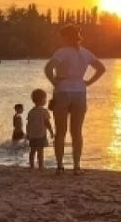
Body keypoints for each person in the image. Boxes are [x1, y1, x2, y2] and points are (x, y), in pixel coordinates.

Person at [44, 25, 106, 175]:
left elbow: (48, 68)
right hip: (80, 92)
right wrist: (87, 82)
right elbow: (101, 68)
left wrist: (54, 82)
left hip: (63, 91)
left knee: (61, 131)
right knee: (77, 132)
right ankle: (77, 166)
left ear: (65, 37)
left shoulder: (61, 52)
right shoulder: (86, 53)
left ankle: (60, 166)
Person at [25, 89, 54, 169]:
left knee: (33, 151)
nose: (45, 100)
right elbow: (47, 122)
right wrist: (51, 131)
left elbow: (28, 124)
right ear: (42, 100)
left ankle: (31, 165)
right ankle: (41, 166)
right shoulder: (44, 111)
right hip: (41, 134)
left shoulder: (31, 111)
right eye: (45, 98)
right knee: (40, 151)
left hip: (33, 135)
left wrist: (28, 133)